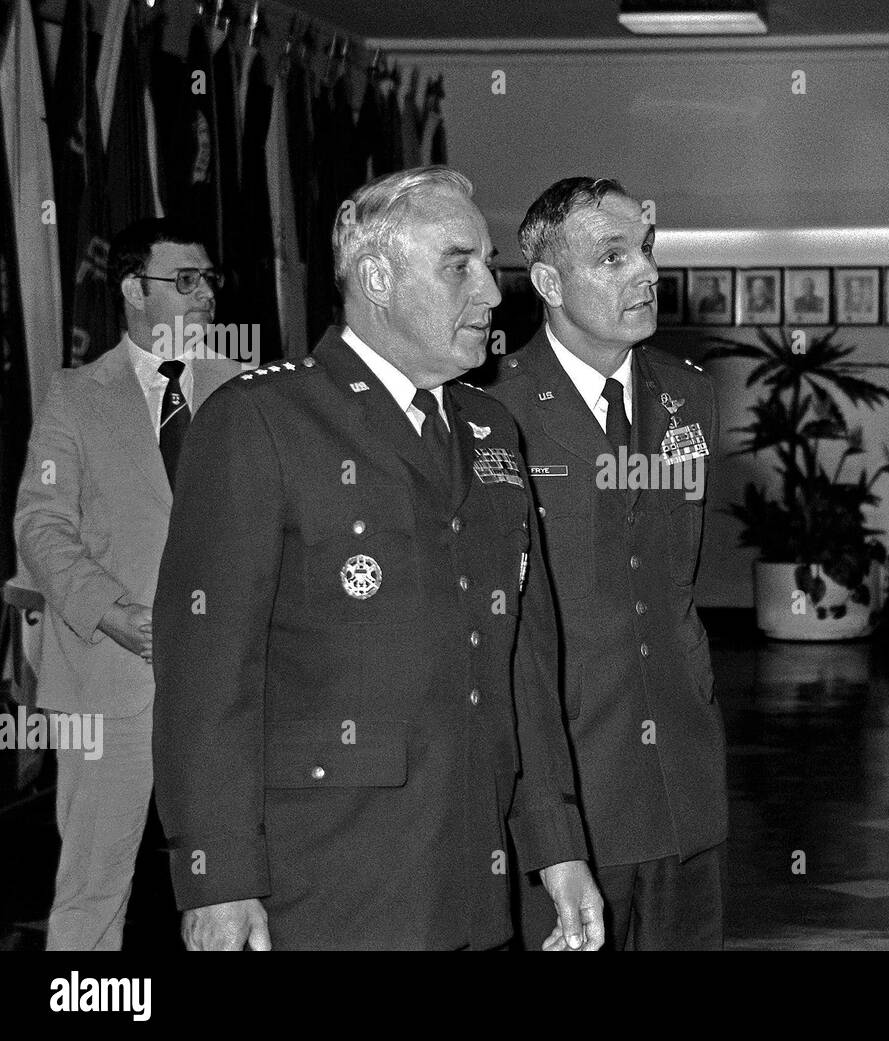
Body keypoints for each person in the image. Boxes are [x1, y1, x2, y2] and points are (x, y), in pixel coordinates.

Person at [150, 166, 603, 951]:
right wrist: (217, 877)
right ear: (377, 276)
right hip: (325, 883)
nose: (492, 294)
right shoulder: (263, 421)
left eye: (488, 264)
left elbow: (522, 660)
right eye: (458, 264)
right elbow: (206, 674)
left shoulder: (491, 429)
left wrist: (557, 842)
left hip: (470, 869)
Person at [489, 177, 727, 950]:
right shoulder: (494, 408)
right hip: (567, 780)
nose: (647, 273)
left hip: (684, 779)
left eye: (647, 250)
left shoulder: (688, 396)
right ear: (550, 284)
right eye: (613, 256)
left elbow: (676, 579)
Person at [13, 218, 244, 950]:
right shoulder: (75, 396)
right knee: (93, 894)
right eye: (186, 281)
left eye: (209, 279)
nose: (205, 295)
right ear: (132, 290)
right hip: (109, 684)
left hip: (226, 685)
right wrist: (114, 615)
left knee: (235, 887)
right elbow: (41, 527)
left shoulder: (245, 389)